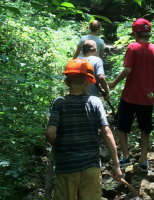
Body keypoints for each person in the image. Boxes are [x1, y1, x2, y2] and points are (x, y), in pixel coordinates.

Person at [45, 58, 122, 200]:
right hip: (91, 167)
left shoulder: (59, 103)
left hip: (66, 167)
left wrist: (59, 145)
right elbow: (106, 132)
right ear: (88, 82)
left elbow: (50, 133)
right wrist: (116, 165)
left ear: (66, 82)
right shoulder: (95, 102)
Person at [108, 18, 154, 172]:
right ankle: (143, 159)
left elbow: (127, 69)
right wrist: (150, 86)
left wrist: (113, 83)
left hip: (130, 96)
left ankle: (126, 156)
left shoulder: (133, 47)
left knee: (121, 125)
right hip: (147, 97)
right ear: (148, 33)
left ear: (135, 34)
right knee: (145, 128)